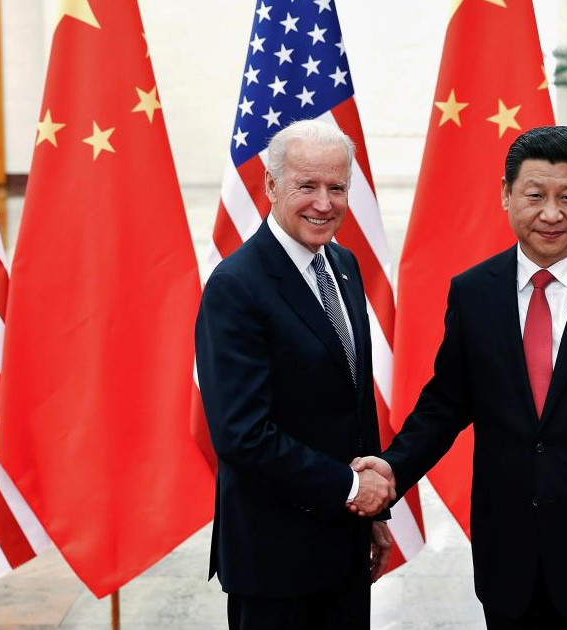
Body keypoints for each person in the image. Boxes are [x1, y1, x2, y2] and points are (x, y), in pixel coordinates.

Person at [355, 126, 567, 629]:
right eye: (534, 195)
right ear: (506, 195)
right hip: (510, 558)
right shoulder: (474, 293)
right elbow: (446, 405)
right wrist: (391, 470)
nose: (551, 214)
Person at [195, 119, 395, 630]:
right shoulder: (237, 286)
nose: (324, 203)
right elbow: (242, 435)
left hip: (344, 549)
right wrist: (352, 489)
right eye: (307, 186)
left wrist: (372, 515)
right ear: (270, 185)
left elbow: (353, 398)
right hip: (274, 562)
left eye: (337, 187)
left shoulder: (344, 266)